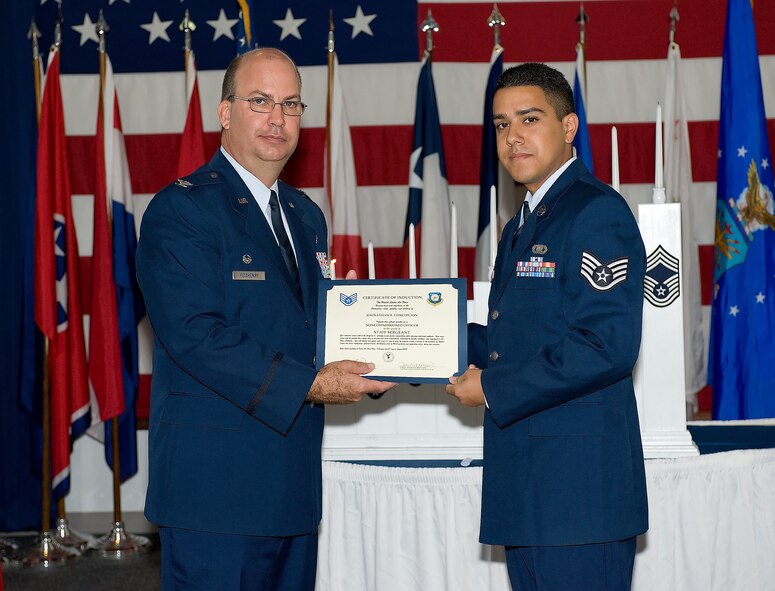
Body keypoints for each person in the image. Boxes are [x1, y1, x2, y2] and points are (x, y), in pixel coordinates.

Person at [136, 48, 394, 590]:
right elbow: (196, 336)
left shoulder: (305, 215)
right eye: (260, 101)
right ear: (225, 113)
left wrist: (360, 337)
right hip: (215, 491)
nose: (277, 119)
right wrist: (316, 382)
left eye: (291, 104)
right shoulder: (181, 210)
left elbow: (300, 327)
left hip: (292, 486)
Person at [446, 62, 648, 590]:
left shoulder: (595, 212)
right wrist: (424, 337)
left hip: (579, 500)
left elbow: (605, 346)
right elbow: (515, 342)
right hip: (532, 494)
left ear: (569, 127)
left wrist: (490, 387)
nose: (513, 136)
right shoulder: (524, 224)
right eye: (501, 124)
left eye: (529, 118)